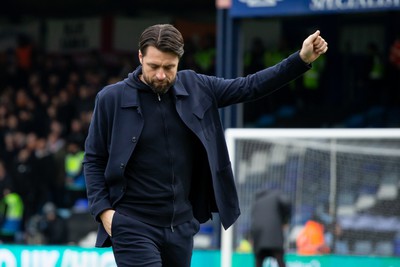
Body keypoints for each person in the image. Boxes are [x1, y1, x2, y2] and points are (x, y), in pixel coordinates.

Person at [83, 23, 328, 267]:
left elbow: (250, 86)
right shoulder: (111, 98)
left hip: (180, 227)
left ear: (180, 60)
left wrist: (300, 59)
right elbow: (94, 159)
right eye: (153, 66)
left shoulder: (196, 86)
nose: (161, 75)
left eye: (169, 67)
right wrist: (104, 212)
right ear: (140, 57)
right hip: (132, 225)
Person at [250, 188, 292, 267]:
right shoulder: (276, 196)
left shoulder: (256, 202)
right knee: (280, 260)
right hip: (274, 237)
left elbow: (253, 222)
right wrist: (285, 219)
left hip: (259, 238)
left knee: (258, 262)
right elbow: (286, 202)